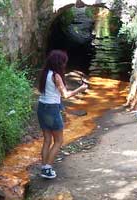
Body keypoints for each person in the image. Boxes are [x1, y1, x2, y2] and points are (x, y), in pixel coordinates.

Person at [37, 50, 88, 179]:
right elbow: (65, 95)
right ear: (59, 63)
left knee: (47, 139)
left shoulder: (45, 73)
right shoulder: (56, 76)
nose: (65, 65)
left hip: (42, 108)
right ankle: (48, 168)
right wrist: (80, 89)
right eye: (64, 62)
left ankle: (44, 167)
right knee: (59, 140)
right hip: (52, 110)